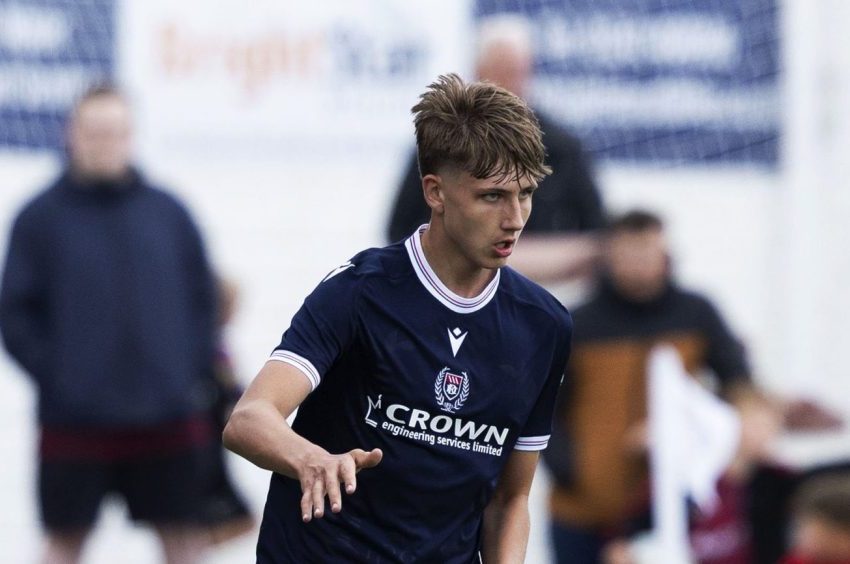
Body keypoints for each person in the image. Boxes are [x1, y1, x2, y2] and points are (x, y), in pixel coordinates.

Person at [223, 73, 572, 563]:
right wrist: (311, 459)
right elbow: (247, 419)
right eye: (492, 196)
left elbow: (509, 500)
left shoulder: (545, 325)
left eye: (526, 193)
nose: (515, 217)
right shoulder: (359, 293)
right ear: (436, 192)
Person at [0, 84, 230, 564]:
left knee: (185, 542)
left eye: (115, 131)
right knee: (63, 544)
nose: (105, 141)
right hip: (73, 422)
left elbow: (205, 302)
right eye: (94, 131)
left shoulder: (169, 213)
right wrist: (61, 378)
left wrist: (184, 373)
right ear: (71, 134)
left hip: (168, 417)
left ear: (131, 136)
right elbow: (12, 315)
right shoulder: (38, 219)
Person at [544, 209, 841, 564]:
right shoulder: (577, 323)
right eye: (629, 253)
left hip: (670, 498)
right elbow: (546, 405)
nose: (639, 264)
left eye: (647, 253)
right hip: (585, 506)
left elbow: (737, 383)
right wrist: (567, 468)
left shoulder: (696, 313)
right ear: (610, 256)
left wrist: (699, 432)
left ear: (665, 255)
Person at [386, 14, 604, 288]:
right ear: (477, 71)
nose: (507, 83)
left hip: (545, 288)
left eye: (515, 71)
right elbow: (399, 230)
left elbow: (598, 235)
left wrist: (529, 260)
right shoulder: (438, 144)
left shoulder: (562, 147)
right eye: (498, 71)